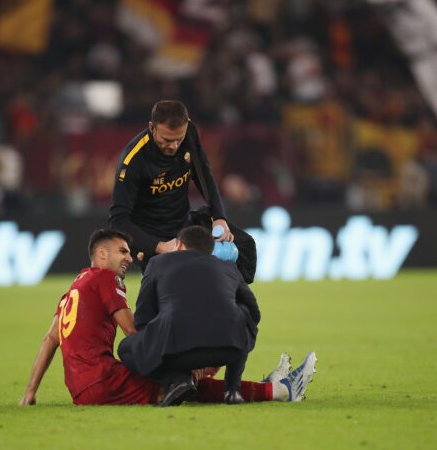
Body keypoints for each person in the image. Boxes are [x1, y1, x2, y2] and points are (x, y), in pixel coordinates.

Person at [19, 228, 317, 406]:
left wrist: (30, 392)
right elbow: (133, 331)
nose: (129, 257)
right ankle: (278, 390)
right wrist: (180, 365)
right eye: (122, 251)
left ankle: (264, 385)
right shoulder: (105, 279)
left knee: (175, 379)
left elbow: (49, 341)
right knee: (184, 386)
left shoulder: (74, 288)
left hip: (80, 388)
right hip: (104, 382)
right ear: (101, 254)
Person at [117, 226, 316, 405]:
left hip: (177, 354)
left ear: (179, 244)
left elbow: (143, 317)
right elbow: (253, 312)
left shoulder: (158, 263)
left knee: (126, 347)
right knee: (242, 313)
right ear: (210, 250)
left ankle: (177, 380)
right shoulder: (228, 267)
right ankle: (233, 389)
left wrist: (157, 351)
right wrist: (236, 343)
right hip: (227, 350)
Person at [109, 100, 234, 271]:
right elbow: (118, 220)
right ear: (152, 127)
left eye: (179, 139)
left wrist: (219, 216)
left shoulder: (189, 130)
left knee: (238, 254)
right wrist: (159, 246)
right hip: (151, 238)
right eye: (167, 140)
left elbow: (202, 172)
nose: (174, 146)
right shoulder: (133, 161)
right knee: (173, 284)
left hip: (183, 228)